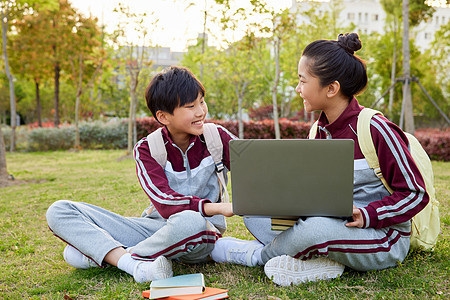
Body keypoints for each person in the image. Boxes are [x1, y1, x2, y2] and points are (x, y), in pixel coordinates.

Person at [211, 33, 429, 286]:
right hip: (327, 222)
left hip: (380, 236)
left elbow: (415, 193)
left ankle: (258, 255)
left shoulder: (376, 128)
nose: (297, 88)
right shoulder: (318, 131)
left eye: (302, 81)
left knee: (314, 231)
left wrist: (368, 214)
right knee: (254, 210)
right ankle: (319, 260)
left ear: (331, 88)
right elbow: (312, 194)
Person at [46, 66, 235, 283]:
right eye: (191, 106)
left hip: (201, 232)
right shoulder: (147, 148)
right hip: (155, 228)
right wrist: (219, 207)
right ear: (163, 116)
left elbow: (255, 171)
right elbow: (165, 203)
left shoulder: (217, 137)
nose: (201, 111)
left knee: (191, 222)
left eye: (202, 101)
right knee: (59, 210)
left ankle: (114, 256)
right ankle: (132, 264)